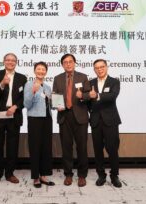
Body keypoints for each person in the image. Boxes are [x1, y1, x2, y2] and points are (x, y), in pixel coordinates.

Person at [0, 53, 27, 185]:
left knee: (12, 145)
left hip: (13, 114)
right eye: (8, 60)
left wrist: (15, 106)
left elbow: (23, 98)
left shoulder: (22, 78)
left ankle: (10, 173)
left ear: (16, 62)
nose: (10, 62)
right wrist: (2, 84)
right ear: (4, 61)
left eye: (13, 60)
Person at [52, 54, 91, 187]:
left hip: (80, 116)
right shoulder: (57, 79)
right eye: (65, 62)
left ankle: (82, 175)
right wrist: (56, 105)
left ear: (74, 63)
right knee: (66, 147)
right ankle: (68, 174)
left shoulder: (83, 77)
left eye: (70, 62)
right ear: (62, 64)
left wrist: (83, 95)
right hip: (64, 116)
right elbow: (54, 95)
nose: (68, 64)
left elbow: (89, 95)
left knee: (82, 147)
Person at [88, 59, 122, 188]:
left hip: (111, 121)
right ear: (94, 69)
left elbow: (112, 96)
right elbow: (87, 101)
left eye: (102, 67)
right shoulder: (90, 82)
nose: (99, 69)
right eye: (96, 67)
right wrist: (83, 97)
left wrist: (96, 95)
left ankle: (114, 176)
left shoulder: (114, 81)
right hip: (96, 120)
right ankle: (101, 175)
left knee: (112, 149)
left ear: (106, 67)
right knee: (97, 150)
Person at [24, 61, 55, 188]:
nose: (41, 71)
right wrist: (33, 91)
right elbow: (26, 104)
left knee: (46, 147)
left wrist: (57, 105)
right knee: (35, 147)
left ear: (46, 72)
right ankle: (36, 177)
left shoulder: (47, 87)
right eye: (39, 69)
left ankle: (44, 176)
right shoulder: (29, 84)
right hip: (35, 119)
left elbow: (50, 105)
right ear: (34, 71)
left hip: (47, 119)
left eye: (43, 69)